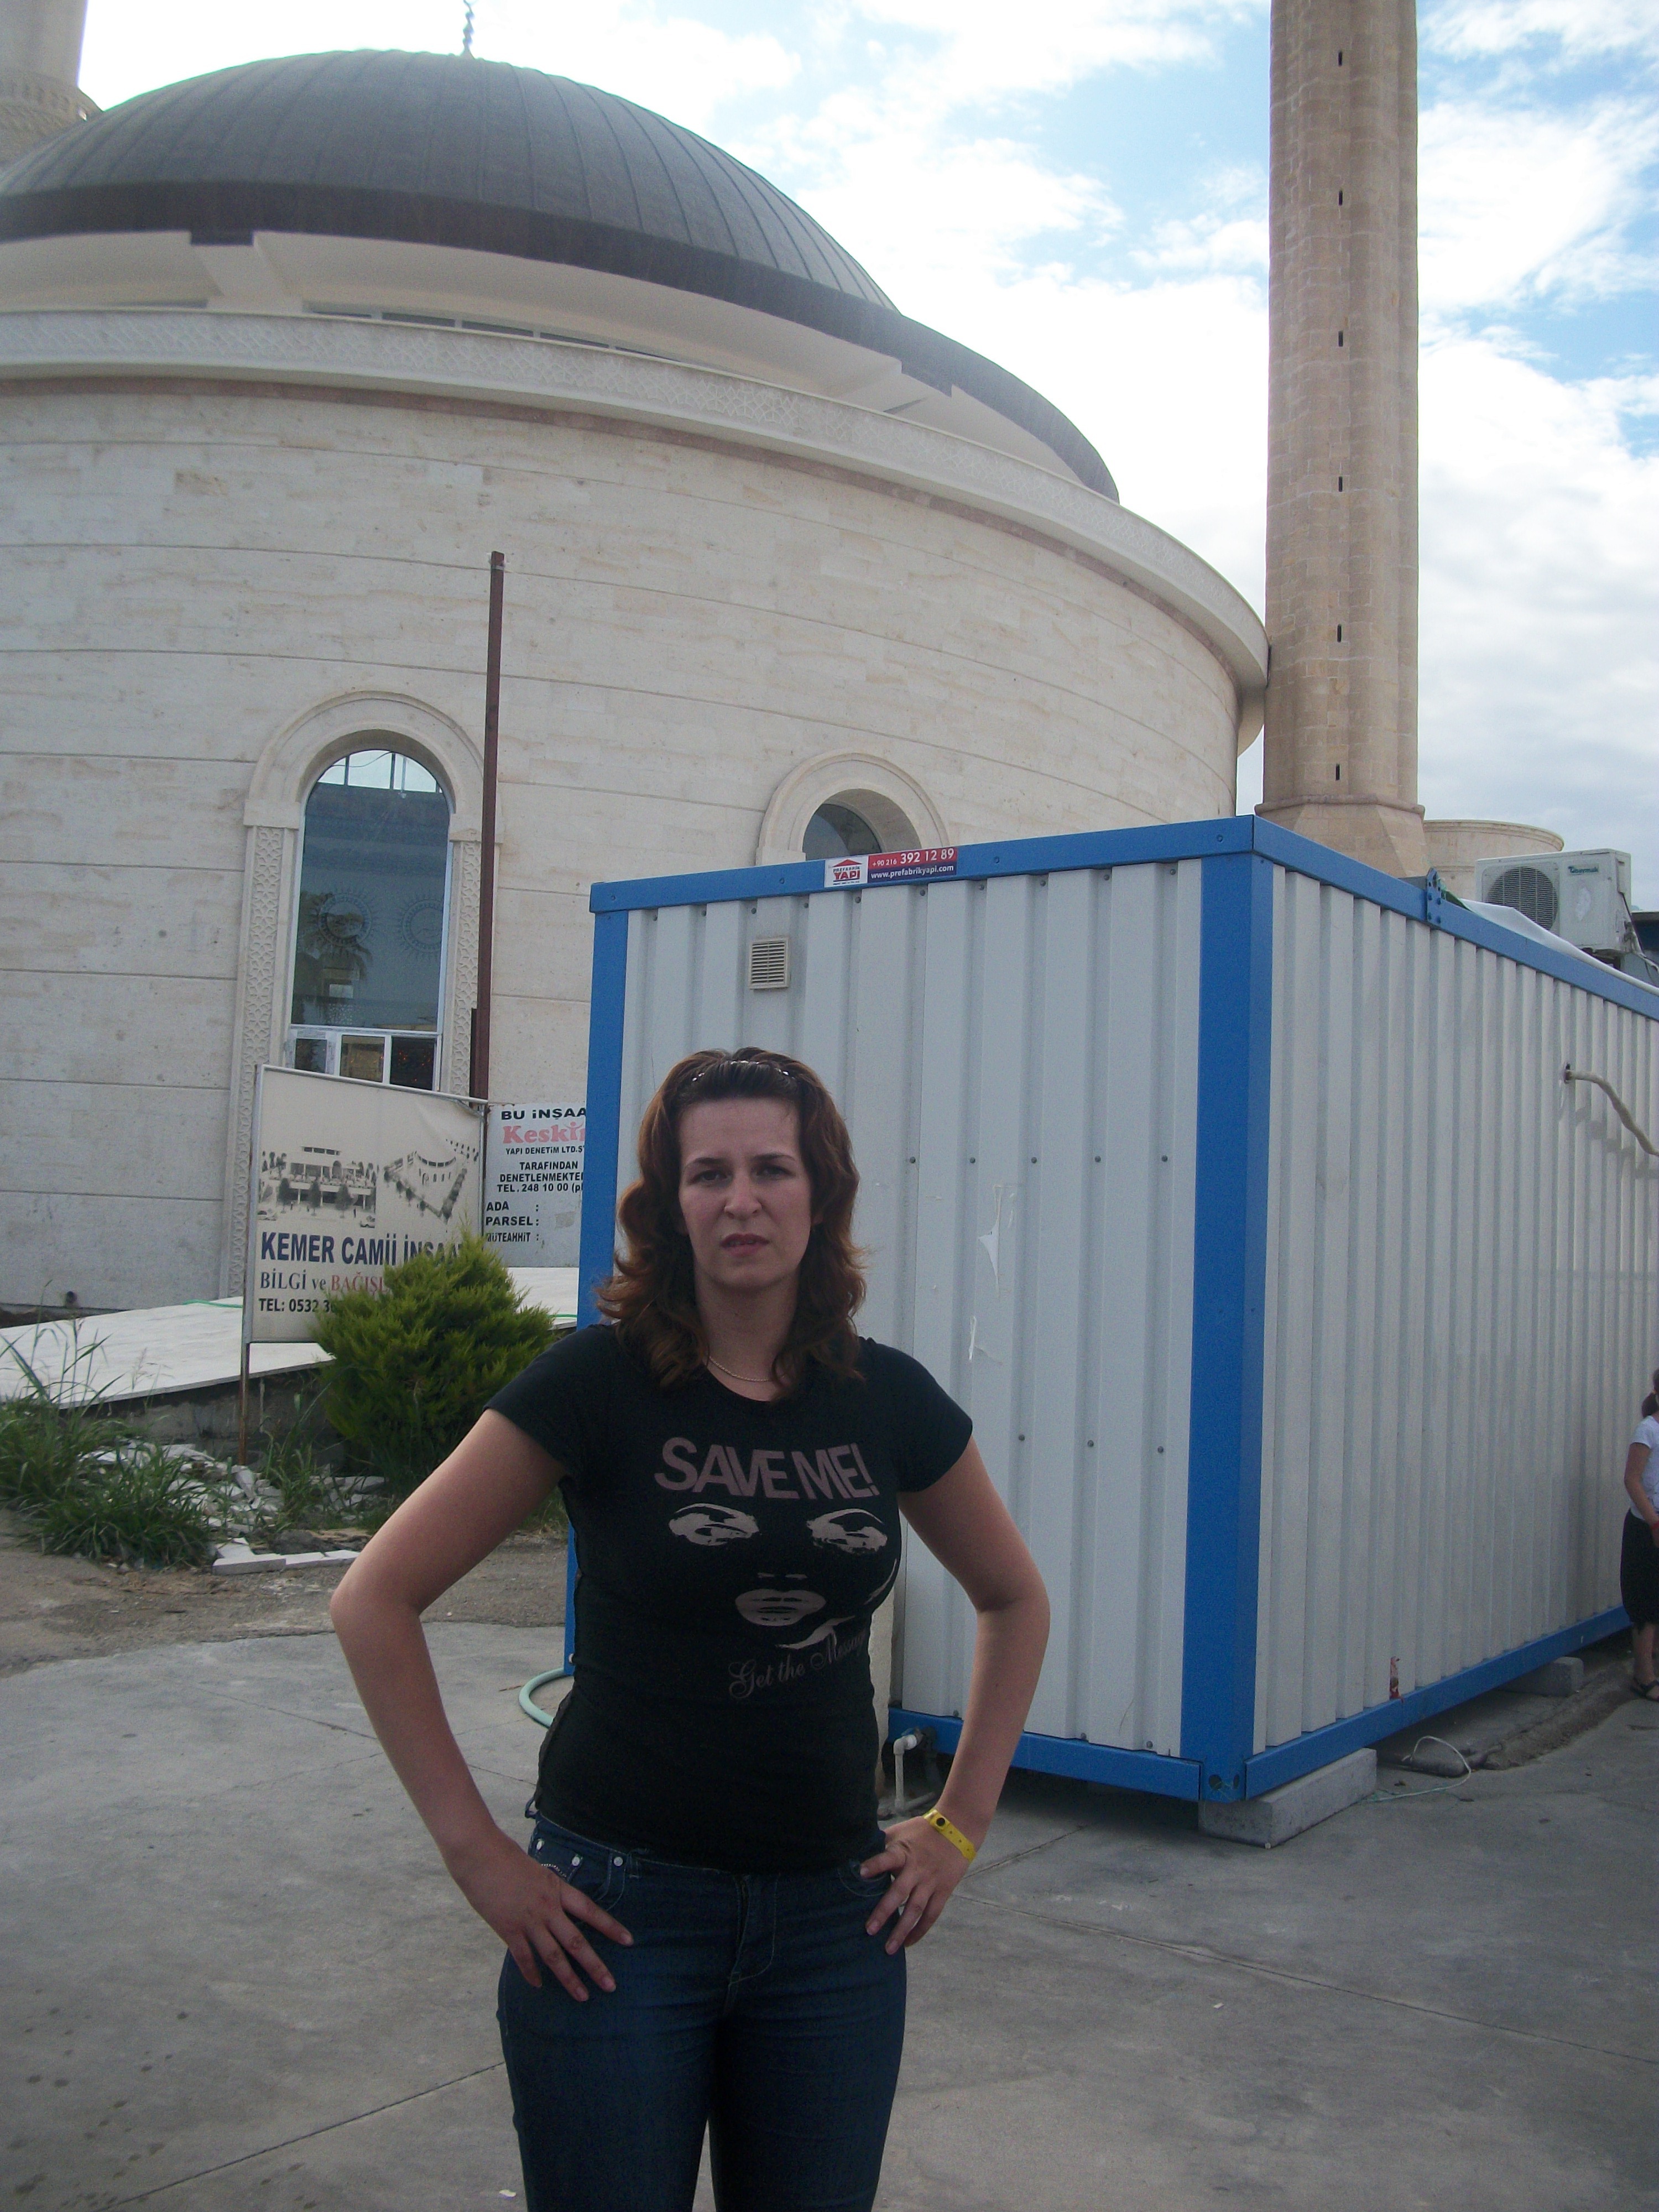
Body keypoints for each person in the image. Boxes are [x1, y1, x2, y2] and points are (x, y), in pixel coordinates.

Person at [330, 1046, 1050, 2211]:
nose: (741, 1199)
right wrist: (479, 1857)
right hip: (615, 1923)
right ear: (671, 1204)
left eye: (772, 1169)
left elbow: (1015, 1598)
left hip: (832, 1922)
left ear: (821, 1196)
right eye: (709, 1173)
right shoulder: (594, 1383)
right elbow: (374, 1597)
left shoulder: (886, 1398)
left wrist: (958, 1826)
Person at [1621, 1365, 1659, 1700]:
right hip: (1646, 1527)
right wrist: (1654, 1523)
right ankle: (1643, 1675)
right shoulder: (1647, 1430)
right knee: (1646, 1601)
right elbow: (1632, 1480)